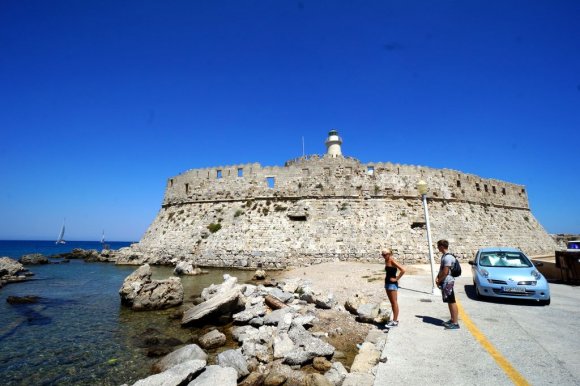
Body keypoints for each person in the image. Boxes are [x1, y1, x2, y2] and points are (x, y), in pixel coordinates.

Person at [435, 239, 459, 330]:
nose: (437, 248)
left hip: (448, 281)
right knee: (449, 301)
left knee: (452, 301)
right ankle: (453, 319)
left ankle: (455, 323)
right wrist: (437, 277)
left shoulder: (448, 258)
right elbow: (442, 270)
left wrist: (438, 280)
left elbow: (445, 272)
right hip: (446, 281)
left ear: (441, 246)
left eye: (438, 246)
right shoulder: (445, 256)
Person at [382, 248, 406, 328]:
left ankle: (395, 321)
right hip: (388, 283)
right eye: (382, 254)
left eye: (385, 254)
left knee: (394, 302)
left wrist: (396, 278)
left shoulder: (392, 261)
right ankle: (393, 320)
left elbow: (403, 270)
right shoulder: (386, 260)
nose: (383, 256)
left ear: (389, 254)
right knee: (392, 303)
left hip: (392, 284)